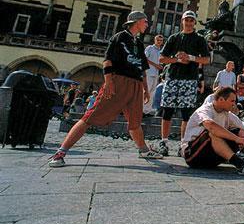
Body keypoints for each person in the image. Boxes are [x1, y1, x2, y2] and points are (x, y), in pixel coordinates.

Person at [49, 11, 163, 167]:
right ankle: (61, 151)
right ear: (136, 22)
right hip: (119, 81)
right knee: (90, 117)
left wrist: (145, 88)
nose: (147, 25)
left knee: (135, 122)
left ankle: (143, 150)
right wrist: (109, 82)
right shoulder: (119, 37)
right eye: (145, 21)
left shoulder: (138, 43)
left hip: (135, 84)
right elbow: (107, 61)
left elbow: (142, 68)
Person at [158, 11, 210, 157]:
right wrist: (177, 59)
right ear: (182, 21)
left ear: (194, 22)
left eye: (191, 20)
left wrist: (191, 58)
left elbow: (207, 59)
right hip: (172, 77)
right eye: (186, 20)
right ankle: (164, 142)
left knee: (186, 114)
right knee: (167, 111)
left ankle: (183, 144)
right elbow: (162, 58)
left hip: (189, 79)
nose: (188, 23)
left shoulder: (199, 39)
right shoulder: (174, 38)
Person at [181, 87, 244, 175]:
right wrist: (236, 139)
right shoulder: (203, 111)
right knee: (212, 133)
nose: (234, 104)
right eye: (232, 101)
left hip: (212, 158)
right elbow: (211, 127)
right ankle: (240, 165)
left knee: (241, 131)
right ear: (221, 99)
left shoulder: (227, 114)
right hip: (193, 156)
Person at [143, 34, 164, 115]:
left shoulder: (161, 51)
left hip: (156, 74)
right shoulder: (150, 48)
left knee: (152, 93)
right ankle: (141, 110)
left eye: (161, 41)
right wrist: (156, 65)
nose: (159, 42)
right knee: (146, 91)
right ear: (155, 40)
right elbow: (145, 59)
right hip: (149, 72)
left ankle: (147, 110)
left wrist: (160, 67)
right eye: (158, 40)